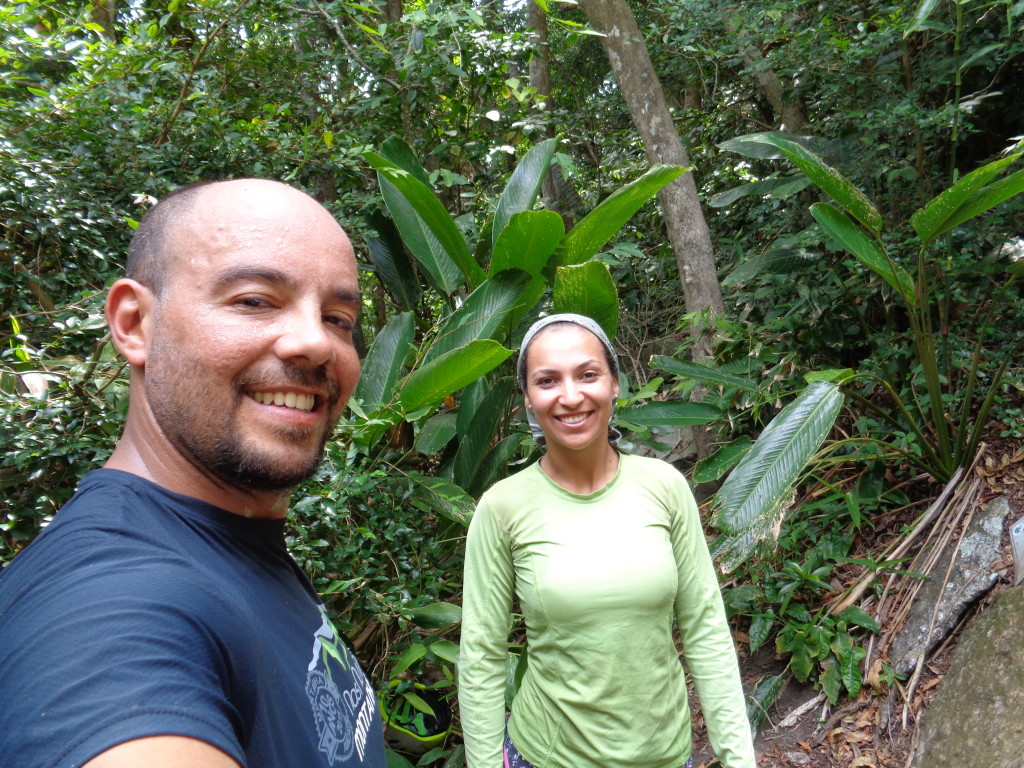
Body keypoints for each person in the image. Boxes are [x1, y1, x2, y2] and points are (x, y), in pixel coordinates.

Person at [0, 179, 387, 768]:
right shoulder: (109, 605)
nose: (316, 342)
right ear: (135, 323)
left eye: (337, 318)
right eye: (254, 301)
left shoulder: (231, 538)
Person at [458, 314, 756, 768]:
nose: (570, 396)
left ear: (614, 384)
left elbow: (706, 628)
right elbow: (482, 655)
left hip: (665, 756)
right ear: (528, 398)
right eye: (547, 380)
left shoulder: (664, 486)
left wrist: (738, 758)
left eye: (587, 374)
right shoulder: (502, 508)